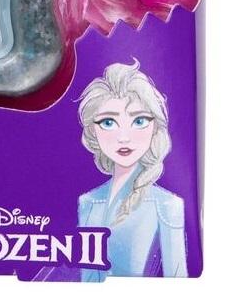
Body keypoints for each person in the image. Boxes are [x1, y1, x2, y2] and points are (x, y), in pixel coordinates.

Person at [77, 60, 187, 279]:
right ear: (92, 131)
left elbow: (178, 279)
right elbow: (86, 278)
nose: (124, 137)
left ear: (155, 126)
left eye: (139, 121)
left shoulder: (167, 206)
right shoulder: (88, 202)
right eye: (108, 122)